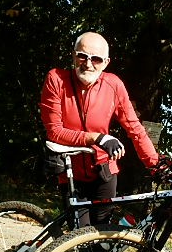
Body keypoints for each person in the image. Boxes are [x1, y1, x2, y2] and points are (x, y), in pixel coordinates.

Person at [40, 31, 159, 227]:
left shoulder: (113, 85)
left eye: (96, 59)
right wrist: (98, 138)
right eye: (82, 56)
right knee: (81, 236)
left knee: (103, 236)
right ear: (73, 55)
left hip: (104, 172)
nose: (88, 64)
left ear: (106, 63)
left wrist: (156, 165)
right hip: (70, 173)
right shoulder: (57, 79)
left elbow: (135, 128)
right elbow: (55, 132)